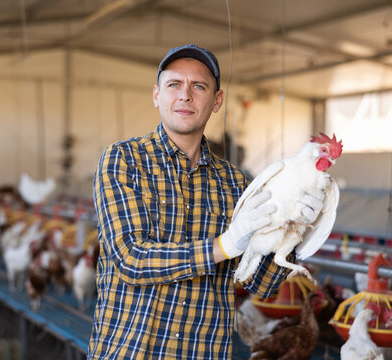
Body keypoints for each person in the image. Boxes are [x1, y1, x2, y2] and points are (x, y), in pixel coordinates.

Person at [88, 44, 324, 359]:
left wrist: (296, 229)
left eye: (199, 86)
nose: (185, 95)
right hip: (131, 351)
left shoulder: (238, 184)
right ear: (157, 95)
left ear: (217, 101)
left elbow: (264, 284)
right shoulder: (123, 160)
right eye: (174, 85)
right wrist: (224, 246)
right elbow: (131, 258)